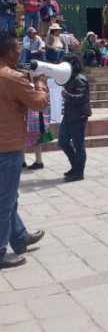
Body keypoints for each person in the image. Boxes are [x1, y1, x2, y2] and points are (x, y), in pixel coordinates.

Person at [0, 36, 47, 268]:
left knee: (8, 197)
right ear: (9, 52)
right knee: (5, 200)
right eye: (18, 49)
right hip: (7, 147)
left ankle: (19, 237)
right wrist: (40, 83)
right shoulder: (12, 77)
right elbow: (38, 103)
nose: (21, 53)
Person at [58, 54, 92, 182]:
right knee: (62, 142)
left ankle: (79, 172)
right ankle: (75, 166)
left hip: (78, 115)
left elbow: (81, 97)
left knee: (79, 145)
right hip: (69, 114)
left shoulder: (80, 78)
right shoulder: (70, 78)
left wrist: (66, 94)